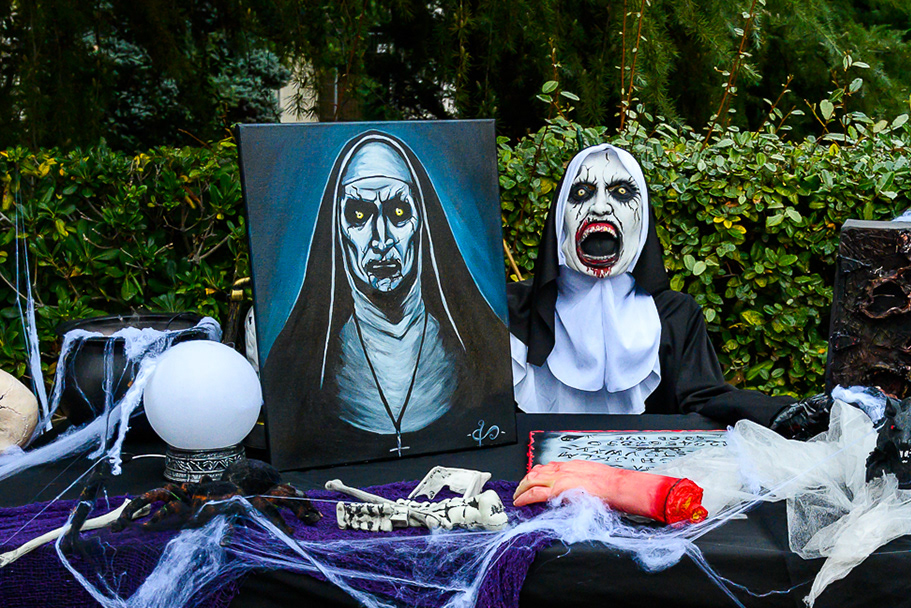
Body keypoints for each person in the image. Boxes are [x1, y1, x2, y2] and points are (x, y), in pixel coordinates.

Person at [263, 130, 509, 467]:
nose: (381, 239)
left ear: (422, 222)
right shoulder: (295, 367)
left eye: (398, 212)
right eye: (359, 215)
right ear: (337, 229)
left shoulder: (485, 351)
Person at [508, 144, 800, 427]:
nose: (599, 208)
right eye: (581, 193)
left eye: (621, 192)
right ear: (561, 216)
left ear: (642, 220)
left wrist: (780, 412)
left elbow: (703, 397)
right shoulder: (514, 311)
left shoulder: (675, 315)